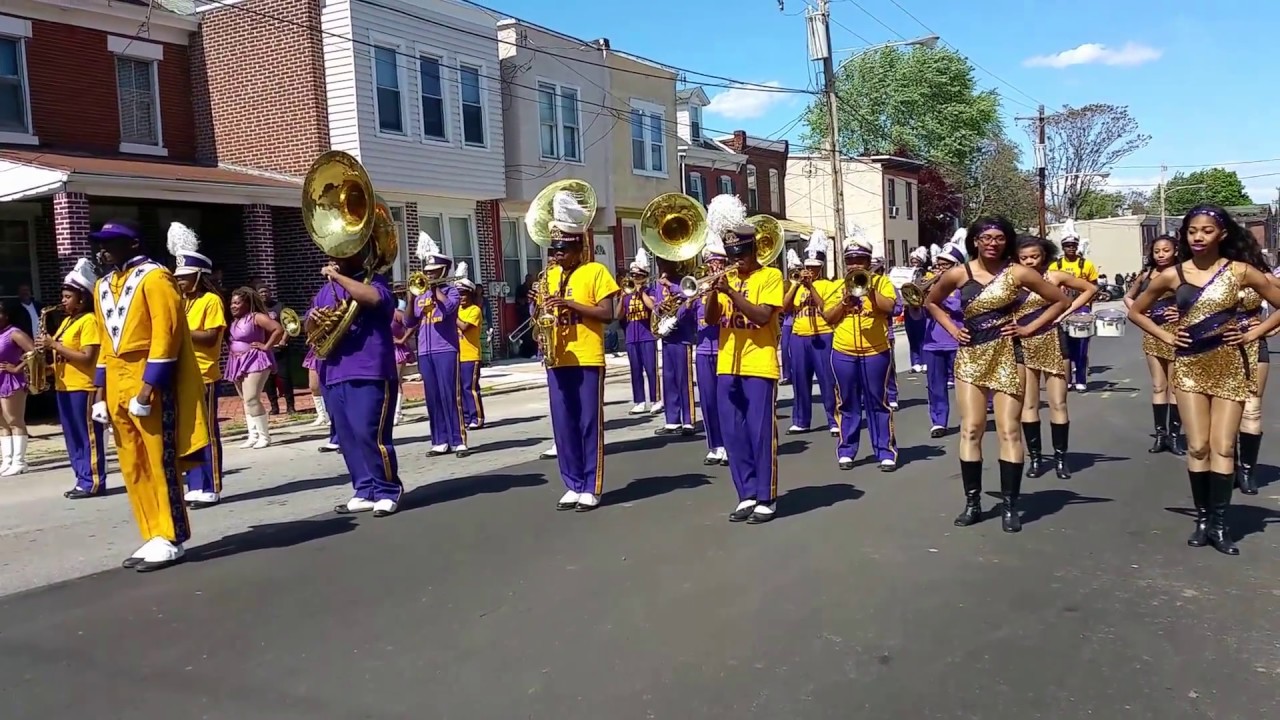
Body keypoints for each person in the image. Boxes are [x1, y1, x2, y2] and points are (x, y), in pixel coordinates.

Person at [1128, 204, 1280, 555]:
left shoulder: (1240, 271)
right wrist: (1165, 337)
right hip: (1189, 365)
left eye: (1207, 230)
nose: (1198, 236)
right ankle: (1202, 518)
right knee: (1198, 446)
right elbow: (1135, 310)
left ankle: (1220, 524)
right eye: (1192, 230)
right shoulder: (1172, 275)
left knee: (1223, 446)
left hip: (1230, 363)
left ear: (1222, 234)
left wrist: (1252, 333)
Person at [924, 218, 1069, 533]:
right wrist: (952, 329)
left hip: (1008, 354)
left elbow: (1060, 300)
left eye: (999, 238)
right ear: (975, 240)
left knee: (1008, 431)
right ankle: (973, 503)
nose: (992, 243)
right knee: (971, 429)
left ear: (1008, 242)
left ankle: (1010, 505)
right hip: (971, 355)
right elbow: (931, 302)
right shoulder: (959, 273)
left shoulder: (1018, 273)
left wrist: (1028, 328)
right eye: (986, 237)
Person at [89, 219, 209, 571]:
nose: (105, 248)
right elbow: (103, 343)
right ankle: (152, 531)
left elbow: (166, 335)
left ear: (134, 243)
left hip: (148, 381)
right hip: (115, 381)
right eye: (101, 242)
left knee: (160, 459)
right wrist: (99, 393)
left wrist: (148, 387)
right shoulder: (101, 285)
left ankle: (172, 535)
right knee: (132, 463)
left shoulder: (156, 278)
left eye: (112, 242)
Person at [530, 189, 619, 512]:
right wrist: (539, 320)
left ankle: (591, 484)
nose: (556, 256)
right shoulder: (549, 276)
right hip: (557, 357)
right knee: (563, 423)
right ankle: (571, 482)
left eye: (562, 250)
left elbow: (608, 314)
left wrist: (569, 303)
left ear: (579, 247)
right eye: (553, 249)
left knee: (587, 423)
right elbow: (541, 316)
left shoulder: (596, 272)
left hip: (587, 356)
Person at [702, 200, 783, 524]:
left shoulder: (771, 277)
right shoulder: (726, 280)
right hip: (727, 365)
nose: (736, 262)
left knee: (760, 434)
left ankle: (767, 496)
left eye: (741, 255)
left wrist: (733, 294)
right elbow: (710, 320)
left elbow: (762, 316)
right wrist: (711, 291)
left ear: (753, 251)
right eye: (732, 256)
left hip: (759, 365)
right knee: (733, 435)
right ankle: (746, 493)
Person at [308, 241, 402, 517]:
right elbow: (310, 328)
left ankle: (387, 490)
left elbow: (375, 300)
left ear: (359, 254)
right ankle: (364, 489)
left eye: (342, 253)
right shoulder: (325, 291)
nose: (334, 258)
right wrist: (313, 319)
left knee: (369, 433)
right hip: (334, 371)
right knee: (348, 438)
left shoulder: (375, 280)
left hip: (370, 368)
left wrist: (338, 277)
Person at [1014, 234, 1099, 480]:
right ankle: (1037, 459)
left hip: (1054, 340)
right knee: (1029, 405)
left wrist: (1066, 312)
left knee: (1058, 403)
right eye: (1024, 257)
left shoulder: (1055, 276)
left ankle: (1061, 458)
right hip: (1022, 342)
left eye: (1035, 256)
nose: (1030, 261)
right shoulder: (1012, 281)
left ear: (1045, 256)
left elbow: (1090, 288)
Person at [823, 230, 898, 472]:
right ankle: (847, 449)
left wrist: (870, 290)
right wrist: (844, 301)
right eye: (850, 260)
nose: (855, 265)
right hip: (843, 351)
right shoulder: (836, 286)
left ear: (868, 262)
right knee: (847, 402)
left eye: (860, 260)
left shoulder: (881, 282)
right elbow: (828, 317)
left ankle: (885, 450)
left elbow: (890, 308)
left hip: (875, 351)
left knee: (878, 401)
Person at [169, 222, 228, 508]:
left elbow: (210, 337)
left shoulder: (211, 300)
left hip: (205, 373)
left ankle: (211, 484)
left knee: (208, 431)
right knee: (189, 432)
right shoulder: (180, 303)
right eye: (178, 277)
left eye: (185, 277)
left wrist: (181, 330)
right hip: (183, 375)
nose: (179, 282)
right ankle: (195, 483)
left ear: (199, 276)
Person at [46, 259, 108, 498]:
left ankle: (93, 480)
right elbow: (64, 356)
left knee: (87, 436)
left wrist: (54, 345)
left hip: (84, 386)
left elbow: (87, 357)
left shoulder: (89, 321)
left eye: (67, 297)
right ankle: (81, 479)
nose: (63, 301)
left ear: (82, 298)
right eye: (63, 296)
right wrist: (46, 367)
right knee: (72, 437)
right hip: (65, 386)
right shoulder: (66, 322)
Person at [406, 233, 469, 458]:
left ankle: (458, 439)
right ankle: (439, 440)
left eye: (432, 272)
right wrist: (411, 298)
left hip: (446, 349)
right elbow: (408, 322)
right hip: (425, 350)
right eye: (426, 272)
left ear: (442, 272)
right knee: (432, 396)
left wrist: (435, 291)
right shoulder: (420, 294)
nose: (428, 275)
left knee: (451, 394)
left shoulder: (451, 290)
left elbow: (450, 310)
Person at [1124, 235, 1185, 455]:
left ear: (1175, 251)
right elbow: (1128, 297)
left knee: (1175, 387)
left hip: (1177, 333)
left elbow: (1197, 298)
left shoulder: (1183, 273)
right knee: (1159, 386)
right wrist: (1139, 310)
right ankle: (1161, 435)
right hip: (1152, 332)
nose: (1161, 255)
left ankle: (1175, 435)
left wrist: (1180, 311)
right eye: (1157, 251)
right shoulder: (1146, 275)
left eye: (1166, 250)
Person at [783, 230, 840, 437]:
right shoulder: (796, 285)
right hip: (799, 336)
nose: (810, 271)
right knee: (800, 379)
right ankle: (801, 420)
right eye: (808, 267)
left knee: (827, 379)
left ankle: (834, 418)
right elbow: (784, 308)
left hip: (823, 336)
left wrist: (812, 288)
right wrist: (797, 285)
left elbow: (825, 308)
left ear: (821, 269)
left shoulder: (828, 285)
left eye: (814, 268)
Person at [1233, 240, 1276, 495]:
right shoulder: (1203, 274)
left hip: (1252, 347)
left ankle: (1247, 470)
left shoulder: (1261, 276)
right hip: (1214, 348)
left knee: (1252, 408)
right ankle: (1229, 466)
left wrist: (1264, 328)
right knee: (1223, 411)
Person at [225, 287, 283, 450]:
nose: (233, 306)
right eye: (232, 303)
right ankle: (253, 435)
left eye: (237, 303)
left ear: (247, 303)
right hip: (237, 361)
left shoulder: (256, 317)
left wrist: (266, 346)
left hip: (255, 359)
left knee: (252, 398)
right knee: (245, 400)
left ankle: (265, 436)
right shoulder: (235, 320)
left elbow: (278, 329)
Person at [922, 240, 966, 438]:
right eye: (938, 264)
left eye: (945, 265)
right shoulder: (930, 286)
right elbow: (917, 313)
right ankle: (938, 421)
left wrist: (938, 296)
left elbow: (959, 308)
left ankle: (969, 419)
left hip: (958, 341)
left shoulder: (965, 287)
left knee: (965, 385)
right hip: (932, 342)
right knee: (935, 385)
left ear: (956, 266)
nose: (939, 269)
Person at [1050, 221, 1099, 391]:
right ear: (1063, 247)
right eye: (1067, 245)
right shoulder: (1055, 266)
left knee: (1081, 345)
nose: (1071, 248)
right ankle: (1067, 378)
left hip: (1081, 308)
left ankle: (1081, 379)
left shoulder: (1086, 265)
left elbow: (1094, 287)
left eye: (1073, 245)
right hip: (1062, 308)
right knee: (1065, 346)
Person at [693, 230, 728, 465]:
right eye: (709, 262)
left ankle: (729, 443)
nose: (713, 266)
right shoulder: (697, 290)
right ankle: (715, 444)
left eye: (717, 262)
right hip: (703, 351)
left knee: (726, 401)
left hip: (725, 351)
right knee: (707, 400)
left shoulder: (728, 288)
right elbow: (684, 317)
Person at [652, 256, 697, 436]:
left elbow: (690, 295)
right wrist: (659, 308)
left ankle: (688, 420)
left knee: (684, 379)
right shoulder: (658, 286)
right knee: (668, 378)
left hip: (682, 336)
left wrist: (671, 285)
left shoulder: (682, 281)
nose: (662, 267)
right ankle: (672, 420)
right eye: (660, 264)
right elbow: (655, 306)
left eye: (665, 263)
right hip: (667, 335)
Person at [620, 249, 660, 415]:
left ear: (644, 277)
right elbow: (618, 315)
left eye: (638, 276)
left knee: (651, 369)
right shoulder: (627, 295)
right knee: (635, 370)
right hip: (631, 337)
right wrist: (622, 297)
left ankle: (656, 399)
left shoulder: (650, 291)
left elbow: (653, 307)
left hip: (647, 336)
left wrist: (641, 291)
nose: (635, 279)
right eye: (633, 276)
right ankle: (639, 401)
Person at [253, 281, 296, 416]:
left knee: (285, 378)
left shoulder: (280, 306)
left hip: (280, 349)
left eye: (266, 292)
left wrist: (283, 340)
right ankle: (274, 407)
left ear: (270, 293)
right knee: (268, 380)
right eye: (261, 293)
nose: (264, 294)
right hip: (266, 351)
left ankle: (290, 406)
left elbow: (289, 324)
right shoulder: (257, 310)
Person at [457, 277, 486, 430]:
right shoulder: (458, 310)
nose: (461, 298)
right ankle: (467, 418)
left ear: (470, 295)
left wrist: (451, 314)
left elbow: (464, 327)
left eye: (463, 294)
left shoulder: (475, 310)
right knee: (461, 389)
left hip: (471, 355)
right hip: (457, 356)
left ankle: (477, 417)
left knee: (470, 388)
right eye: (458, 294)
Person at [903, 245, 933, 373]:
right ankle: (915, 363)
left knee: (923, 336)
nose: (914, 263)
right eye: (912, 261)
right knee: (912, 336)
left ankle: (925, 362)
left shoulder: (928, 275)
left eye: (917, 261)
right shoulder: (906, 274)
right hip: (908, 308)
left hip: (922, 308)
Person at [390, 283, 415, 425]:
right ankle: (390, 410)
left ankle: (397, 413)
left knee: (396, 381)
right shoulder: (381, 315)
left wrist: (403, 339)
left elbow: (411, 325)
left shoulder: (397, 314)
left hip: (397, 351)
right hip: (384, 350)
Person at [780, 250, 801, 386]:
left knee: (797, 352)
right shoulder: (785, 284)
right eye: (793, 270)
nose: (795, 272)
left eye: (797, 269)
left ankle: (799, 373)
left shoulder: (803, 282)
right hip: (788, 321)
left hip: (799, 319)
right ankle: (787, 375)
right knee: (785, 348)